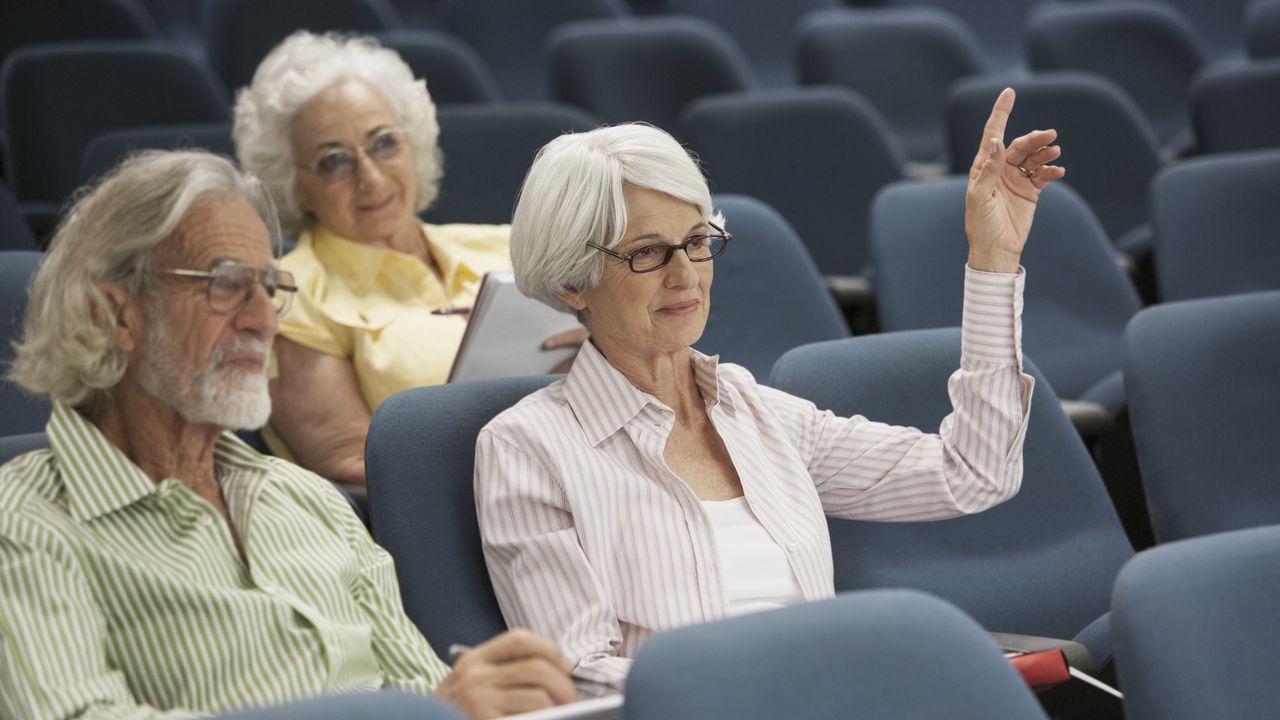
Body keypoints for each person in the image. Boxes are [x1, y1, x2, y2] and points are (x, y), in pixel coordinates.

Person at [475, 89, 1064, 687]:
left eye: (698, 242)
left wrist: (992, 258)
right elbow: (581, 673)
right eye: (648, 253)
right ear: (573, 282)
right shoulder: (527, 449)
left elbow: (975, 472)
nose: (686, 276)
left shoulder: (758, 411)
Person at [0, 150, 576, 720]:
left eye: (269, 287)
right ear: (113, 314)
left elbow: (420, 691)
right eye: (225, 285)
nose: (264, 320)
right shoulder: (24, 523)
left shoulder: (309, 499)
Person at [233, 32, 581, 486]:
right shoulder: (292, 295)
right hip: (467, 514)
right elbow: (347, 460)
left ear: (413, 144)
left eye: (383, 144)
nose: (371, 178)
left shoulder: (511, 244)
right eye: (335, 160)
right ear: (292, 184)